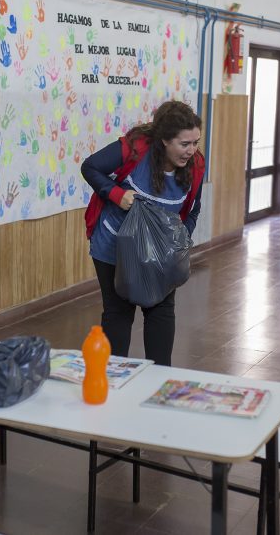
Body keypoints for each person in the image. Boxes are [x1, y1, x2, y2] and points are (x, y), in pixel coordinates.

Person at [81, 100, 205, 366]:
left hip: (160, 254)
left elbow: (193, 210)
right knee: (118, 313)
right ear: (163, 141)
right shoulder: (135, 150)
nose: (191, 151)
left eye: (195, 142)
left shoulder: (195, 166)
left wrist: (179, 241)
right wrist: (116, 194)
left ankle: (159, 381)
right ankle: (112, 382)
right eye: (185, 144)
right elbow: (90, 167)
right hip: (114, 247)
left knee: (160, 311)